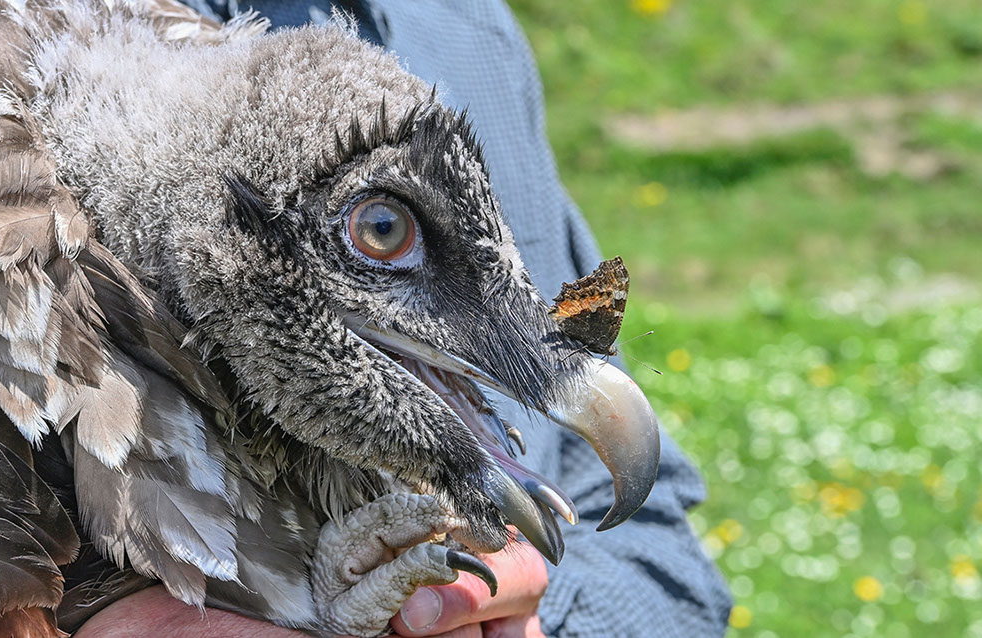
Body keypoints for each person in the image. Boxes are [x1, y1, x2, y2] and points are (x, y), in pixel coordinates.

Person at [78, 1, 732, 636]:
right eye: (381, 231)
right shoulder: (0, 108)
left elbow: (659, 557)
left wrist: (518, 609)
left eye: (386, 228)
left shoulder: (466, 26)